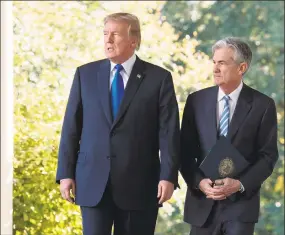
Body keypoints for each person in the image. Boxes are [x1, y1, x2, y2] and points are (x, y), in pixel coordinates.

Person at [56, 12, 180, 235]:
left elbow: (169, 133)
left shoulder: (159, 78)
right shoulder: (85, 74)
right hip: (92, 181)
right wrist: (66, 173)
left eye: (115, 34)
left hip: (140, 185)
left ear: (134, 40)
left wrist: (168, 176)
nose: (108, 40)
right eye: (105, 34)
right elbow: (71, 128)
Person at [180, 37, 278, 235]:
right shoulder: (196, 101)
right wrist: (199, 182)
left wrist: (239, 184)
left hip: (241, 207)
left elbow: (268, 156)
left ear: (242, 68)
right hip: (202, 204)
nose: (215, 69)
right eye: (214, 62)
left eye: (222, 63)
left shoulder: (263, 105)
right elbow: (184, 152)